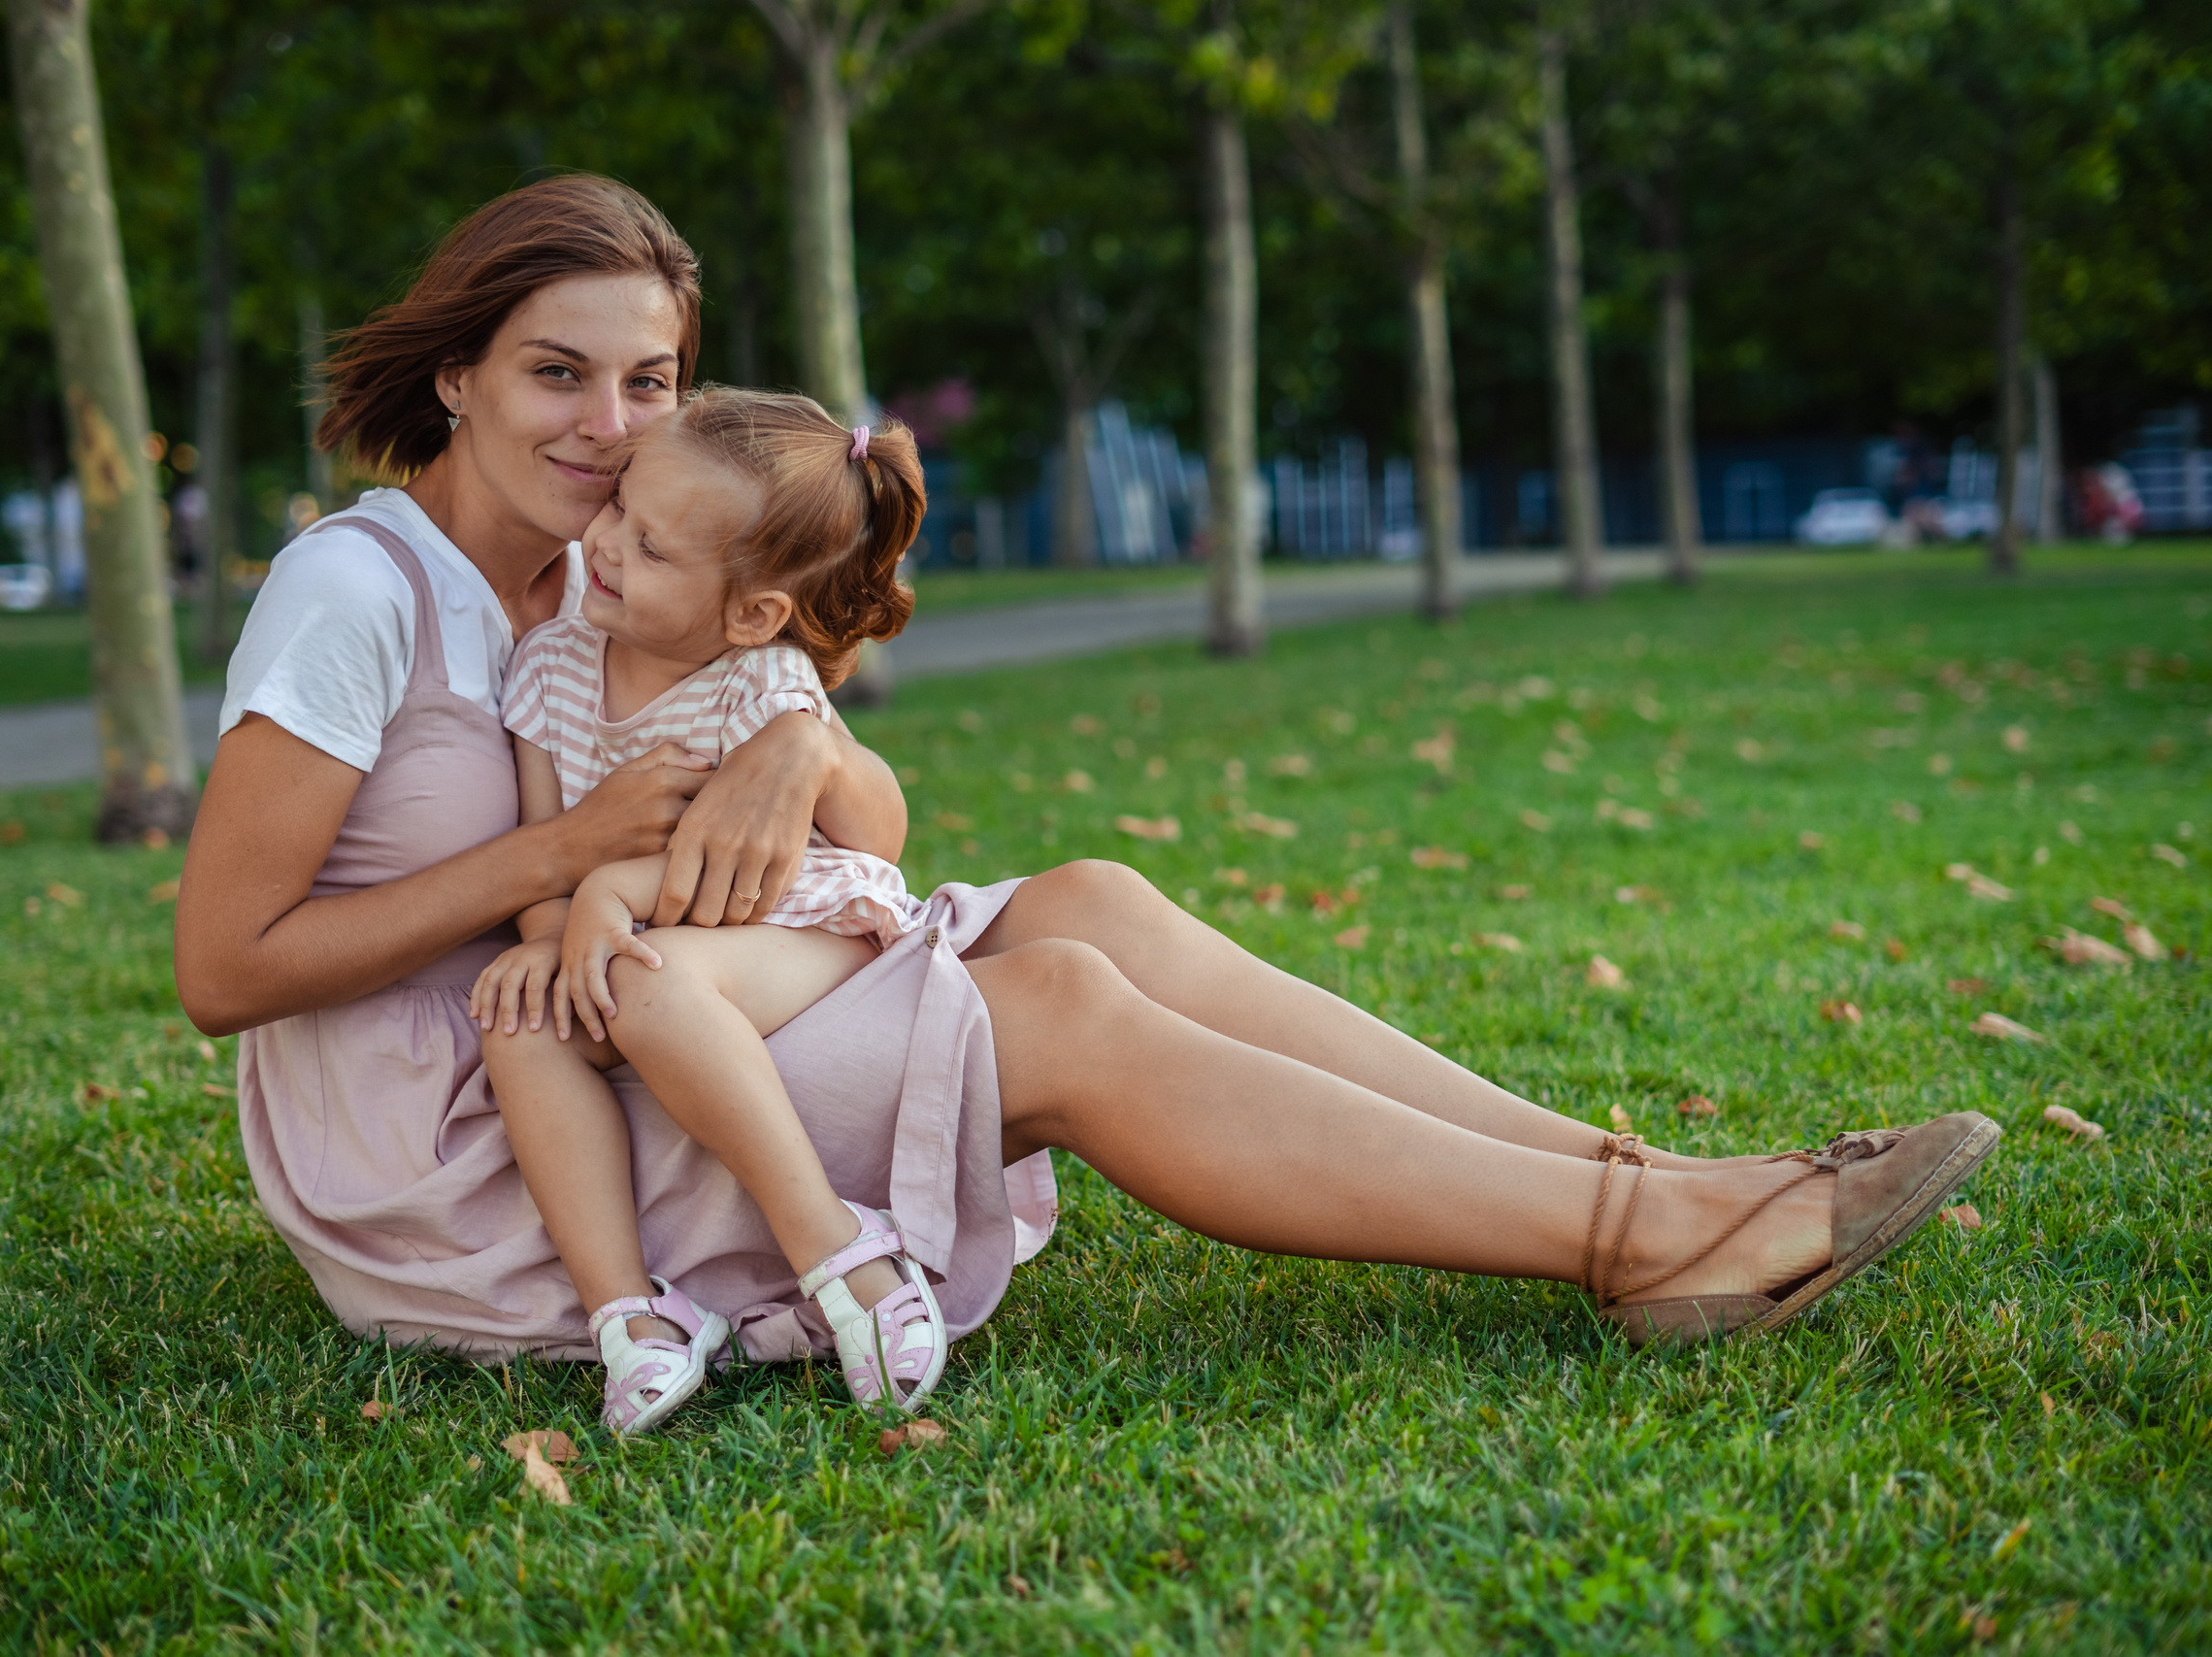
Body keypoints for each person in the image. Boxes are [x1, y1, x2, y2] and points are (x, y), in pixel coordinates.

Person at [175, 176, 1997, 1408]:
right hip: (485, 1122)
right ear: (454, 372)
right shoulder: (355, 588)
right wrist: (561, 851)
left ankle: (1651, 1173)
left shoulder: (615, 566)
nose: (608, 423)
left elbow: (860, 835)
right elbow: (225, 969)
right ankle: (1652, 1243)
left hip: (646, 995)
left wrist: (804, 734)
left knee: (1096, 902)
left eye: (647, 380)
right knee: (1049, 1009)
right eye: (556, 375)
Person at [473, 391, 954, 1431]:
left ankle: (836, 1251)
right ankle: (631, 1315)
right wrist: (552, 946)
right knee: (520, 1024)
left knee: (651, 986)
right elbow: (547, 841)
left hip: (806, 938)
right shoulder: (550, 667)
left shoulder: (759, 679)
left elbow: (873, 835)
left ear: (748, 612)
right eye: (617, 513)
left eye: (647, 546)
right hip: (653, 941)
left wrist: (615, 896)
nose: (602, 545)